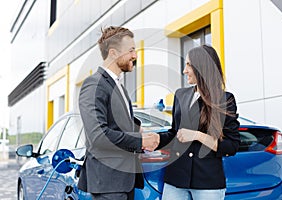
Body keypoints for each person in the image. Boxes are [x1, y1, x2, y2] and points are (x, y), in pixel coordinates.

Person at [78, 26, 159, 200]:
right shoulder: (94, 84)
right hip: (109, 183)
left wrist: (139, 130)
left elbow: (118, 124)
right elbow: (98, 135)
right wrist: (140, 140)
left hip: (123, 180)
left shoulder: (118, 86)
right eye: (131, 50)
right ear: (113, 53)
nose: (135, 55)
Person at [157, 45, 240, 200]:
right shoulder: (180, 95)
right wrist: (154, 139)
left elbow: (231, 146)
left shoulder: (225, 100)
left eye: (189, 65)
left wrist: (197, 135)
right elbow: (175, 133)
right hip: (176, 181)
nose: (184, 71)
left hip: (207, 184)